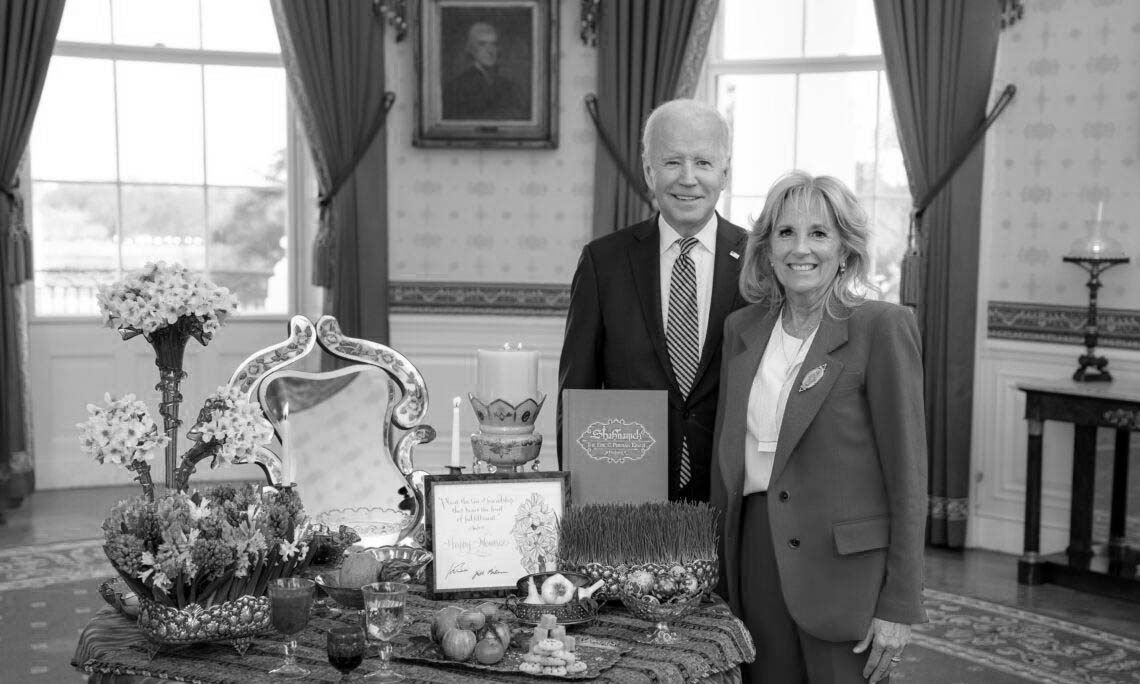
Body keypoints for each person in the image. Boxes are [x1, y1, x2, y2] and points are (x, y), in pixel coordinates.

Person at [709, 171, 927, 683]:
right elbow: (730, 460)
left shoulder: (880, 327)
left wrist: (900, 602)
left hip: (846, 571)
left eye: (819, 233)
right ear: (766, 248)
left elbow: (909, 477)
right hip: (755, 556)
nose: (800, 248)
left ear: (845, 249)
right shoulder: (742, 329)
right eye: (785, 233)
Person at [558, 99, 748, 502]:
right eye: (672, 162)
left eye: (703, 163)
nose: (688, 179)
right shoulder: (602, 262)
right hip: (627, 496)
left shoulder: (758, 263)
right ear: (649, 171)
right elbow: (576, 392)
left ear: (725, 173)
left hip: (731, 494)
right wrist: (576, 495)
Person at [442, 21, 528, 120]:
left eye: (494, 44)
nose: (490, 50)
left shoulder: (510, 87)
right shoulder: (456, 87)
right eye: (482, 44)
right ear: (470, 48)